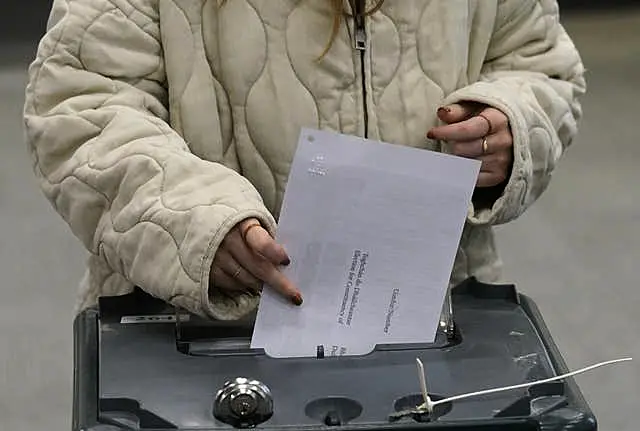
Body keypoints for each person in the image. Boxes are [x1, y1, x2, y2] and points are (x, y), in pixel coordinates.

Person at [24, 0, 585, 323]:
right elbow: (81, 106)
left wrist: (510, 123)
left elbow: (540, 64)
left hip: (429, 321)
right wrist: (196, 226)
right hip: (194, 337)